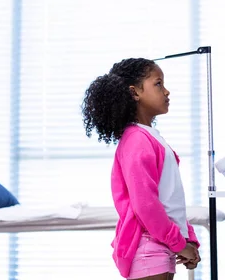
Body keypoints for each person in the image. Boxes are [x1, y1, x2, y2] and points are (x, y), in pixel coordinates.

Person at [82, 58, 200, 280]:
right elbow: (146, 206)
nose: (167, 91)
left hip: (160, 248)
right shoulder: (137, 139)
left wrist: (187, 240)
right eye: (158, 84)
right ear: (134, 92)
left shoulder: (151, 138)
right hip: (148, 250)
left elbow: (171, 199)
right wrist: (179, 243)